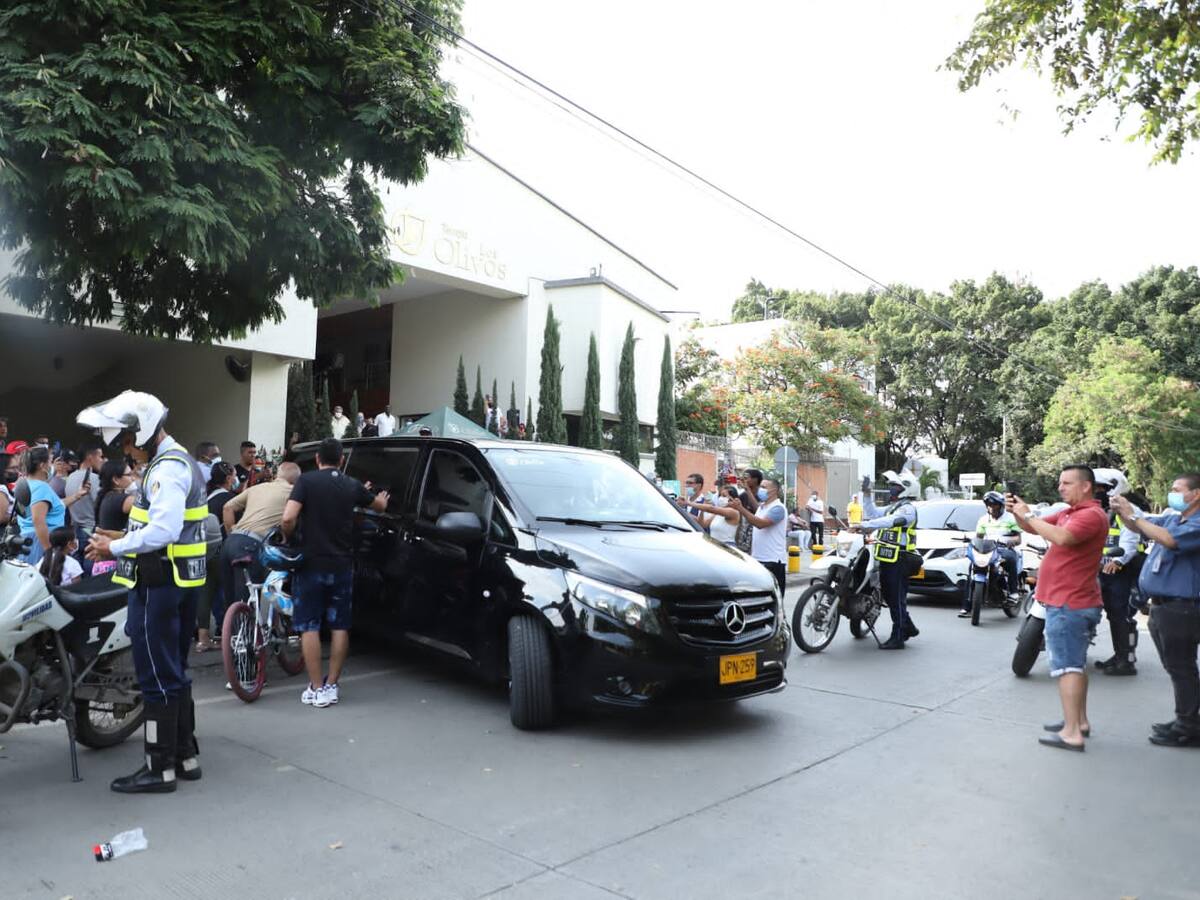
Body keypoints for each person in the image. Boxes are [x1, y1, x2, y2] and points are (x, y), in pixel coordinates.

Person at [81, 390, 208, 793]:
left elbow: (166, 531)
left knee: (155, 675)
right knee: (174, 671)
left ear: (145, 430)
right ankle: (185, 757)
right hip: (178, 580)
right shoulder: (180, 460)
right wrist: (120, 536)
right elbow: (165, 527)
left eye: (126, 441)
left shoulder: (166, 469)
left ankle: (159, 769)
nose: (125, 450)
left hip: (158, 582)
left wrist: (112, 547)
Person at [1009, 465, 1108, 752]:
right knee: (1075, 665)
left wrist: (1027, 514)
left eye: (1066, 483)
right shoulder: (1068, 513)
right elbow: (1033, 527)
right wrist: (1018, 511)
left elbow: (1062, 538)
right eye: (1060, 483)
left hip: (1069, 603)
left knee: (1067, 668)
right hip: (1068, 602)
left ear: (1086, 486)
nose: (1060, 488)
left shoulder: (1090, 515)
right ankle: (1080, 722)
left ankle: (1071, 733)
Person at [282, 439, 387, 708]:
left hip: (310, 563)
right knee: (340, 625)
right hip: (342, 563)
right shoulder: (350, 484)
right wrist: (381, 499)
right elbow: (378, 507)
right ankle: (331, 686)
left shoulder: (306, 482)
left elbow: (288, 518)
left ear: (317, 459)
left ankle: (316, 688)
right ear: (341, 460)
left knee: (309, 626)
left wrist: (289, 536)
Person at [1112, 474, 1200, 747]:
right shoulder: (1176, 518)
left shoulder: (1196, 524)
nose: (1171, 493)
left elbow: (1169, 540)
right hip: (1162, 607)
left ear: (1196, 494)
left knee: (1182, 668)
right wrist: (1125, 513)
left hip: (1181, 609)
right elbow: (1144, 528)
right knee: (1177, 668)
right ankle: (1186, 718)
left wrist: (1134, 517)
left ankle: (1189, 726)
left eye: (1177, 489)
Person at [220, 461, 300, 607]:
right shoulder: (294, 492)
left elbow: (227, 508)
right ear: (295, 480)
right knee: (246, 602)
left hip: (230, 543)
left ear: (277, 475)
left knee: (230, 602)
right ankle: (245, 628)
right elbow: (290, 520)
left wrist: (231, 531)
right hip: (251, 546)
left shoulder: (257, 488)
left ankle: (226, 628)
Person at [858, 470, 921, 649]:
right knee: (892, 596)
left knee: (896, 598)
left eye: (896, 486)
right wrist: (867, 493)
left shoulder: (908, 509)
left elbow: (890, 521)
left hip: (900, 559)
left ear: (906, 490)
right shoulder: (893, 506)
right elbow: (872, 512)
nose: (892, 489)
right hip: (887, 558)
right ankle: (908, 627)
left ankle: (898, 636)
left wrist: (866, 526)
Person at [1091, 469, 1145, 676]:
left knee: (1119, 614)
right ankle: (1119, 655)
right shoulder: (1097, 510)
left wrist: (1117, 561)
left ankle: (1126, 661)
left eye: (1099, 488)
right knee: (1112, 614)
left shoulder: (1125, 509)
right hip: (1100, 569)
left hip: (1122, 568)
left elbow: (1130, 541)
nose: (1095, 492)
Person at [960, 490, 1023, 618]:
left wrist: (1010, 541)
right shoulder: (983, 520)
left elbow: (1018, 539)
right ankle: (967, 606)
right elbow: (979, 538)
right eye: (989, 505)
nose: (992, 508)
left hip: (1003, 549)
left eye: (994, 505)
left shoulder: (1010, 518)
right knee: (971, 568)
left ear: (1001, 506)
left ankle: (1013, 592)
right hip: (987, 549)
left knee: (1011, 559)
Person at [195, 462, 237, 652]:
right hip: (224, 551)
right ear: (229, 479)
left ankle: (203, 639)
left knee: (206, 594)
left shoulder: (206, 498)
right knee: (231, 592)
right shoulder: (231, 500)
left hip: (205, 551)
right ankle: (231, 635)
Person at [728, 477, 788, 595]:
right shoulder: (763, 507)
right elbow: (756, 508)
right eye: (761, 487)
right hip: (759, 559)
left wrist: (740, 508)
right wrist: (747, 490)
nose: (761, 490)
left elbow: (760, 523)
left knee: (774, 598)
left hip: (773, 561)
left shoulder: (778, 508)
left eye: (765, 487)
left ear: (775, 491)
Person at [16, 446, 69, 564]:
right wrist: (48, 550)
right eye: (49, 462)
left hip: (28, 541)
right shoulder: (41, 487)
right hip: (41, 542)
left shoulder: (24, 484)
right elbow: (38, 519)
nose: (52, 466)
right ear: (42, 465)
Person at [65, 441, 104, 576]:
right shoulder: (94, 479)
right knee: (89, 573)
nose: (102, 460)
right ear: (90, 457)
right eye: (100, 456)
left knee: (77, 571)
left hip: (75, 531)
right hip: (90, 531)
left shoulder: (70, 477)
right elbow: (100, 505)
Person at [92, 459, 135, 576]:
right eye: (129, 475)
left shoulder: (108, 496)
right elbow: (147, 504)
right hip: (114, 563)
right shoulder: (119, 499)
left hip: (104, 563)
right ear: (116, 479)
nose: (133, 478)